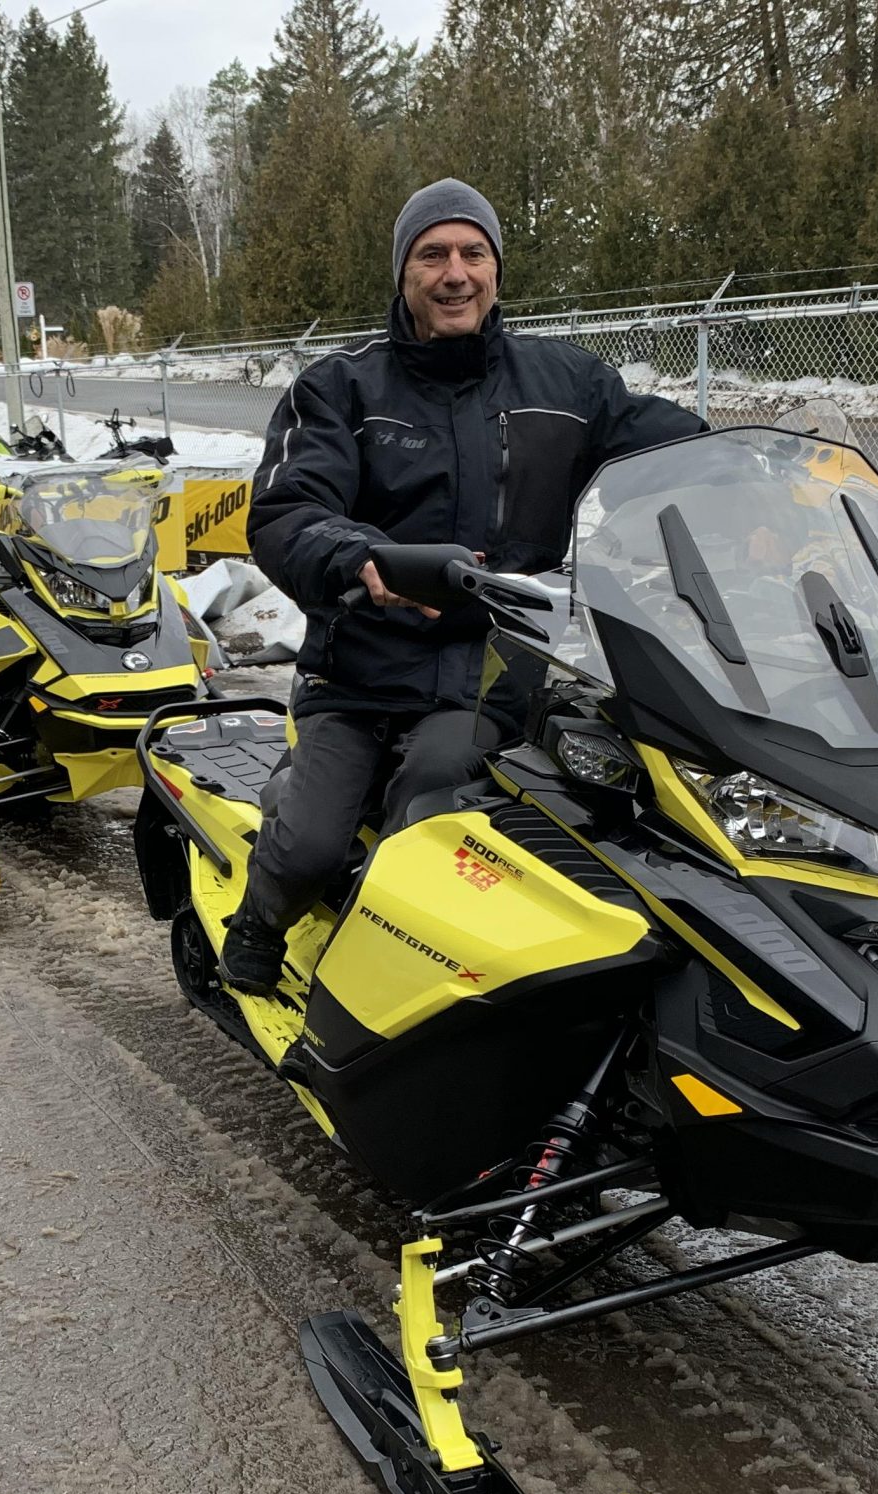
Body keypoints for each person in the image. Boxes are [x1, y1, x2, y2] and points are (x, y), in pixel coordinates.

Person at [220, 179, 706, 993]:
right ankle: (260, 916)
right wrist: (359, 560)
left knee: (435, 818)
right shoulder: (340, 387)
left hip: (489, 676)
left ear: (497, 270)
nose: (456, 273)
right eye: (432, 254)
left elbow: (676, 453)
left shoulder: (570, 385)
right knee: (309, 849)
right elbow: (287, 510)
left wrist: (778, 474)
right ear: (403, 273)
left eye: (473, 253)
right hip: (360, 671)